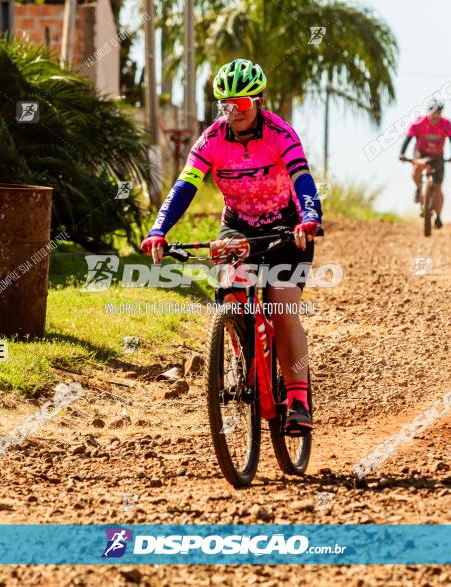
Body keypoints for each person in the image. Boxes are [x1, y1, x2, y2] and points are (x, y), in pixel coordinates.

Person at [140, 58, 323, 435]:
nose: (232, 112)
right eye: (224, 105)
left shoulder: (280, 133)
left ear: (257, 101)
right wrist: (159, 228)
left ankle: (299, 398)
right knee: (230, 296)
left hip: (287, 229)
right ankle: (240, 356)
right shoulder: (211, 139)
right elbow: (185, 186)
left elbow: (303, 179)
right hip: (237, 227)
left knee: (284, 307)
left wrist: (309, 219)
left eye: (239, 104)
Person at [399, 99, 451, 229]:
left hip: (437, 156)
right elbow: (408, 138)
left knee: (437, 188)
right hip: (421, 153)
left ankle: (438, 216)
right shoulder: (419, 122)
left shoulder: (446, 124)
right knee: (416, 170)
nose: (435, 115)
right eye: (433, 112)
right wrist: (402, 153)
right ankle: (419, 188)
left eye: (438, 113)